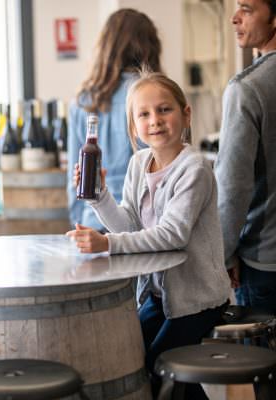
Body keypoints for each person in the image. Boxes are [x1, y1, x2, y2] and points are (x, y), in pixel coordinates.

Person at [66, 72, 231, 399]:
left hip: (197, 300)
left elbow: (172, 235)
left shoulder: (194, 169)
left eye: (164, 110)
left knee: (158, 363)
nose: (154, 120)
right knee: (128, 356)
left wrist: (107, 244)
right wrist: (99, 197)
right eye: (143, 114)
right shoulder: (139, 163)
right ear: (133, 126)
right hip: (159, 296)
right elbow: (130, 226)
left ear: (185, 114)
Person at [67, 8, 161, 232]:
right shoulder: (156, 97)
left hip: (93, 223)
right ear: (150, 47)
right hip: (145, 226)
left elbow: (75, 175)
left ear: (106, 48)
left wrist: (79, 221)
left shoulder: (82, 101)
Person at [215, 0, 276, 312]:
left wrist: (223, 255)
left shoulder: (247, 88)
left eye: (247, 9)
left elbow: (232, 186)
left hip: (265, 261)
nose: (234, 18)